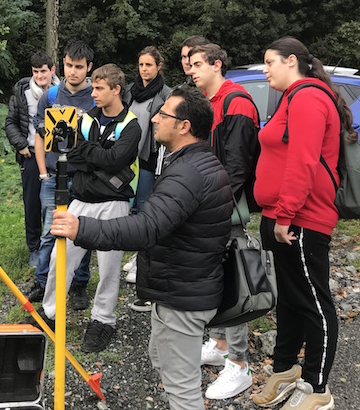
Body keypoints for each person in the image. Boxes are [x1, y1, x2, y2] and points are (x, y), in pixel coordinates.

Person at [51, 87, 232, 410]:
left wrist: (82, 228)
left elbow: (147, 228)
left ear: (184, 126)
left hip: (182, 295)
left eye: (164, 115)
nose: (155, 119)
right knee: (162, 361)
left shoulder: (187, 174)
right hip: (181, 287)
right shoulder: (197, 163)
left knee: (182, 389)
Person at [250, 37, 345, 410]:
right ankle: (285, 370)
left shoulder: (308, 98)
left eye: (269, 62)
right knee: (289, 299)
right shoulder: (290, 99)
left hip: (301, 219)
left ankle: (317, 388)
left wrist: (285, 214)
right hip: (279, 216)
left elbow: (303, 161)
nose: (265, 70)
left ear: (292, 61)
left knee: (314, 303)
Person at [35, 64, 140, 352]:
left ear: (116, 90)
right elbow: (68, 153)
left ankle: (103, 320)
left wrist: (87, 153)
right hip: (80, 200)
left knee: (108, 268)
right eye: (93, 88)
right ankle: (50, 312)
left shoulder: (131, 124)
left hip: (114, 204)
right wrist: (99, 156)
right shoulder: (87, 118)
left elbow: (116, 160)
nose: (93, 93)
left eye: (99, 89)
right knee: (60, 258)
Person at [188, 42, 260, 400]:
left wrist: (217, 205)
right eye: (190, 64)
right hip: (212, 204)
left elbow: (237, 165)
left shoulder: (237, 102)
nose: (191, 71)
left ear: (217, 65)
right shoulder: (210, 102)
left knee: (233, 280)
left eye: (198, 64)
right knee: (217, 278)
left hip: (224, 209)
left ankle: (239, 364)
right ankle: (219, 344)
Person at [24, 40, 96, 309]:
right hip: (54, 176)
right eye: (68, 65)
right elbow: (39, 135)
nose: (73, 71)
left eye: (79, 67)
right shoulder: (51, 96)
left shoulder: (95, 97)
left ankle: (78, 284)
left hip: (83, 177)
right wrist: (43, 173)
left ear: (89, 67)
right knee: (48, 232)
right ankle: (42, 282)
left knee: (82, 232)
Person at [120, 46, 171, 308]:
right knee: (129, 208)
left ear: (158, 66)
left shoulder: (166, 94)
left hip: (149, 158)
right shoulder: (130, 91)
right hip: (128, 157)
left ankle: (144, 260)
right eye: (141, 65)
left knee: (145, 209)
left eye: (149, 65)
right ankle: (137, 255)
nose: (144, 69)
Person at [5, 51, 60, 267]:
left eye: (43, 71)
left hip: (56, 155)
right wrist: (20, 144)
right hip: (30, 155)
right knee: (32, 203)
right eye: (35, 71)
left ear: (52, 70)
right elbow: (10, 122)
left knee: (57, 202)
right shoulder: (22, 92)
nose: (39, 76)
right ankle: (35, 248)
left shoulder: (62, 92)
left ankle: (57, 243)